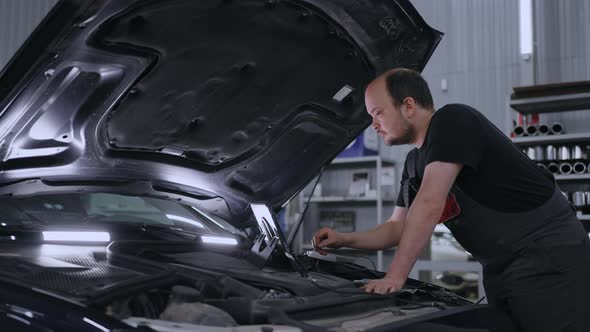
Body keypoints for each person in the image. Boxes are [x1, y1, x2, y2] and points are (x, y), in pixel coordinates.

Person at [312, 68, 590, 331]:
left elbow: (431, 202)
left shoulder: (452, 121)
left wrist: (395, 277)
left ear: (408, 106)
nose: (374, 125)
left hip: (547, 255)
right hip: (500, 266)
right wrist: (344, 239)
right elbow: (397, 228)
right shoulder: (414, 164)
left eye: (378, 113)